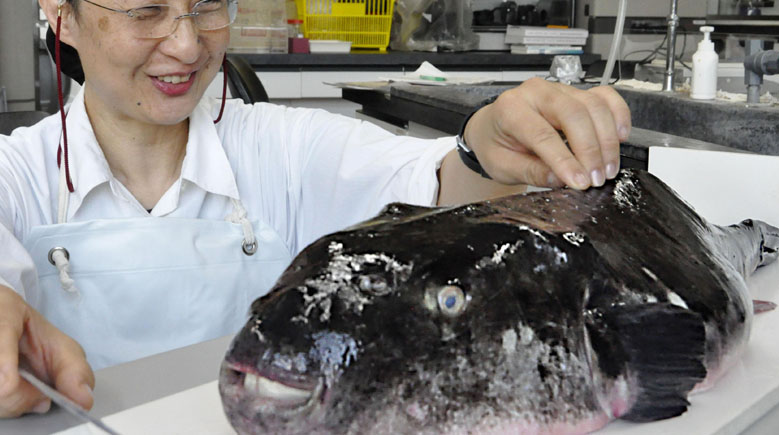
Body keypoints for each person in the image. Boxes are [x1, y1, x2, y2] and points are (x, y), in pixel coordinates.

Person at [0, 0, 631, 418]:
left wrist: (482, 148)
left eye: (207, 6)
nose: (188, 45)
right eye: (147, 12)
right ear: (62, 16)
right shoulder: (20, 172)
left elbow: (430, 185)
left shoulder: (280, 147)